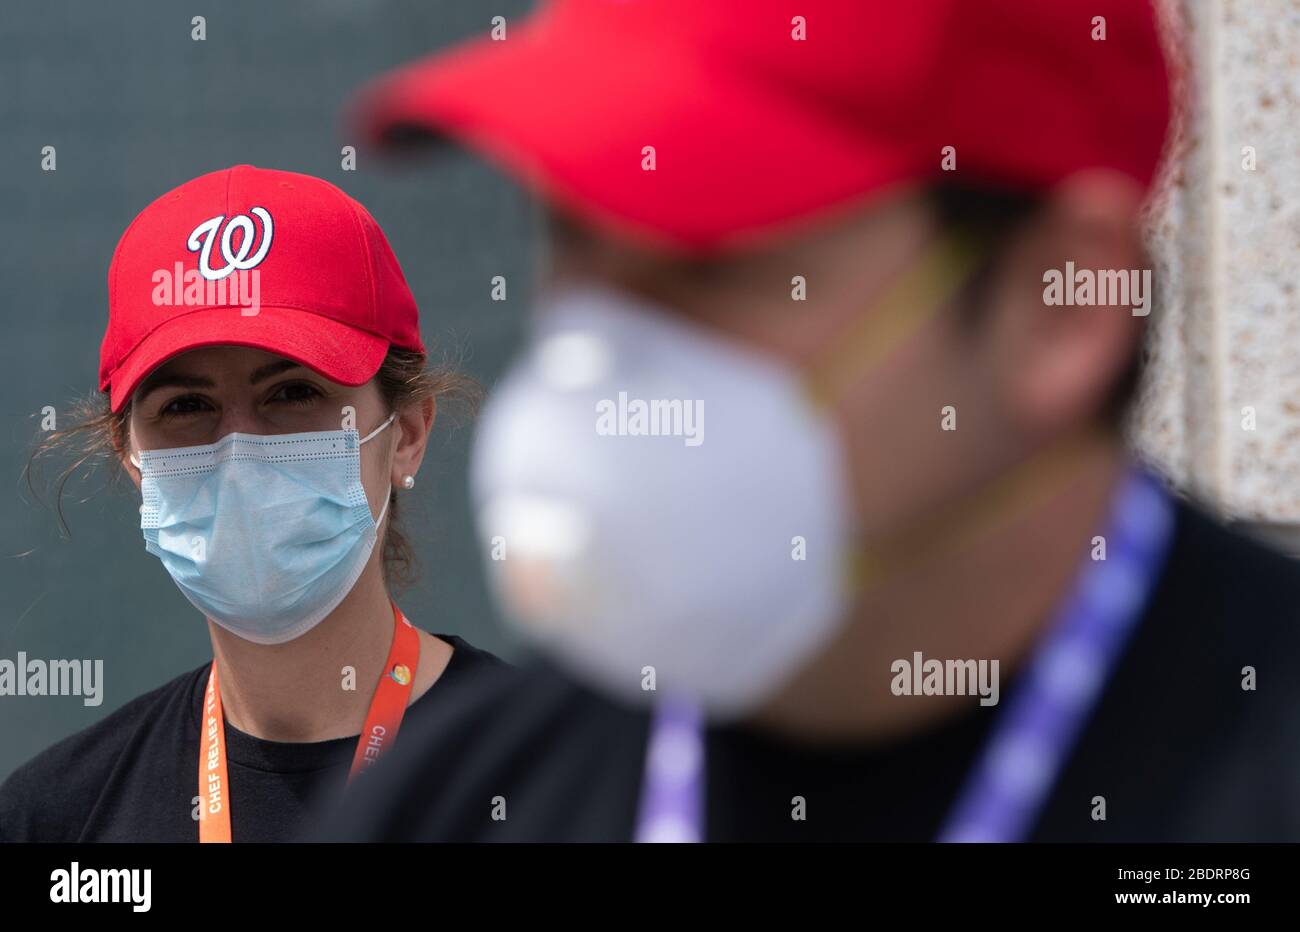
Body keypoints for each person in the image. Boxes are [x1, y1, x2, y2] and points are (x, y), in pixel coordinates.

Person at [323, 0, 1300, 841]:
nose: (600, 365)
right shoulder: (448, 802)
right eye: (574, 235)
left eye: (708, 252)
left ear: (1060, 306)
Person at [0, 164, 502, 842]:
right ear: (132, 459)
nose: (239, 452)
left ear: (407, 433)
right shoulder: (55, 821)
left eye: (292, 393)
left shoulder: (573, 779)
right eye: (186, 406)